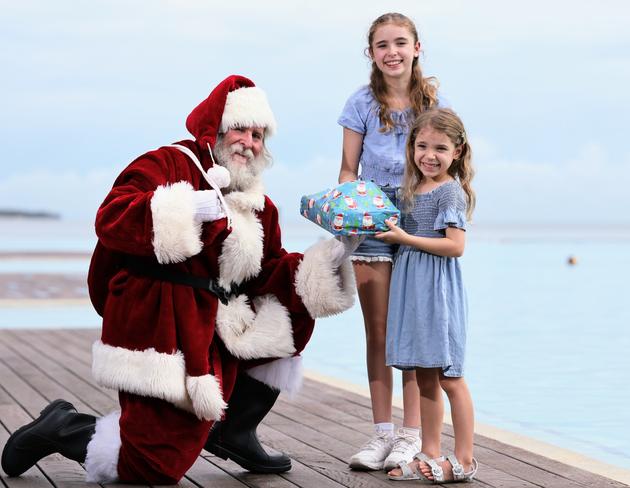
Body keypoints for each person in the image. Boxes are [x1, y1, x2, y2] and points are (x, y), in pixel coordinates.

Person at [1, 75, 359, 484]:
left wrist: (333, 255)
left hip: (215, 325)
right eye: (241, 128)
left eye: (259, 135)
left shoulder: (258, 202)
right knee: (152, 467)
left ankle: (234, 430)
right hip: (160, 321)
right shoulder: (168, 163)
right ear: (217, 128)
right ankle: (62, 427)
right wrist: (186, 207)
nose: (249, 141)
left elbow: (269, 271)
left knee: (293, 308)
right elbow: (112, 217)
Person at [337, 12, 448, 471]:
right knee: (379, 331)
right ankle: (381, 434)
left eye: (400, 42)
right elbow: (348, 168)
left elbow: (445, 161)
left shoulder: (433, 103)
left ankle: (410, 436)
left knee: (411, 332)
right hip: (372, 216)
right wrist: (351, 212)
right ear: (372, 54)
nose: (392, 52)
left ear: (417, 47)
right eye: (382, 45)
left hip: (419, 217)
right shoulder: (360, 102)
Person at [375, 108, 478, 483]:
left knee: (450, 376)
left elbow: (455, 245)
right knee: (424, 376)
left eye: (439, 148)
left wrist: (403, 238)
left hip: (438, 290)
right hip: (412, 288)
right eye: (421, 146)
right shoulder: (411, 189)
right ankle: (430, 451)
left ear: (458, 151)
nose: (429, 155)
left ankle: (465, 458)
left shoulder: (449, 191)